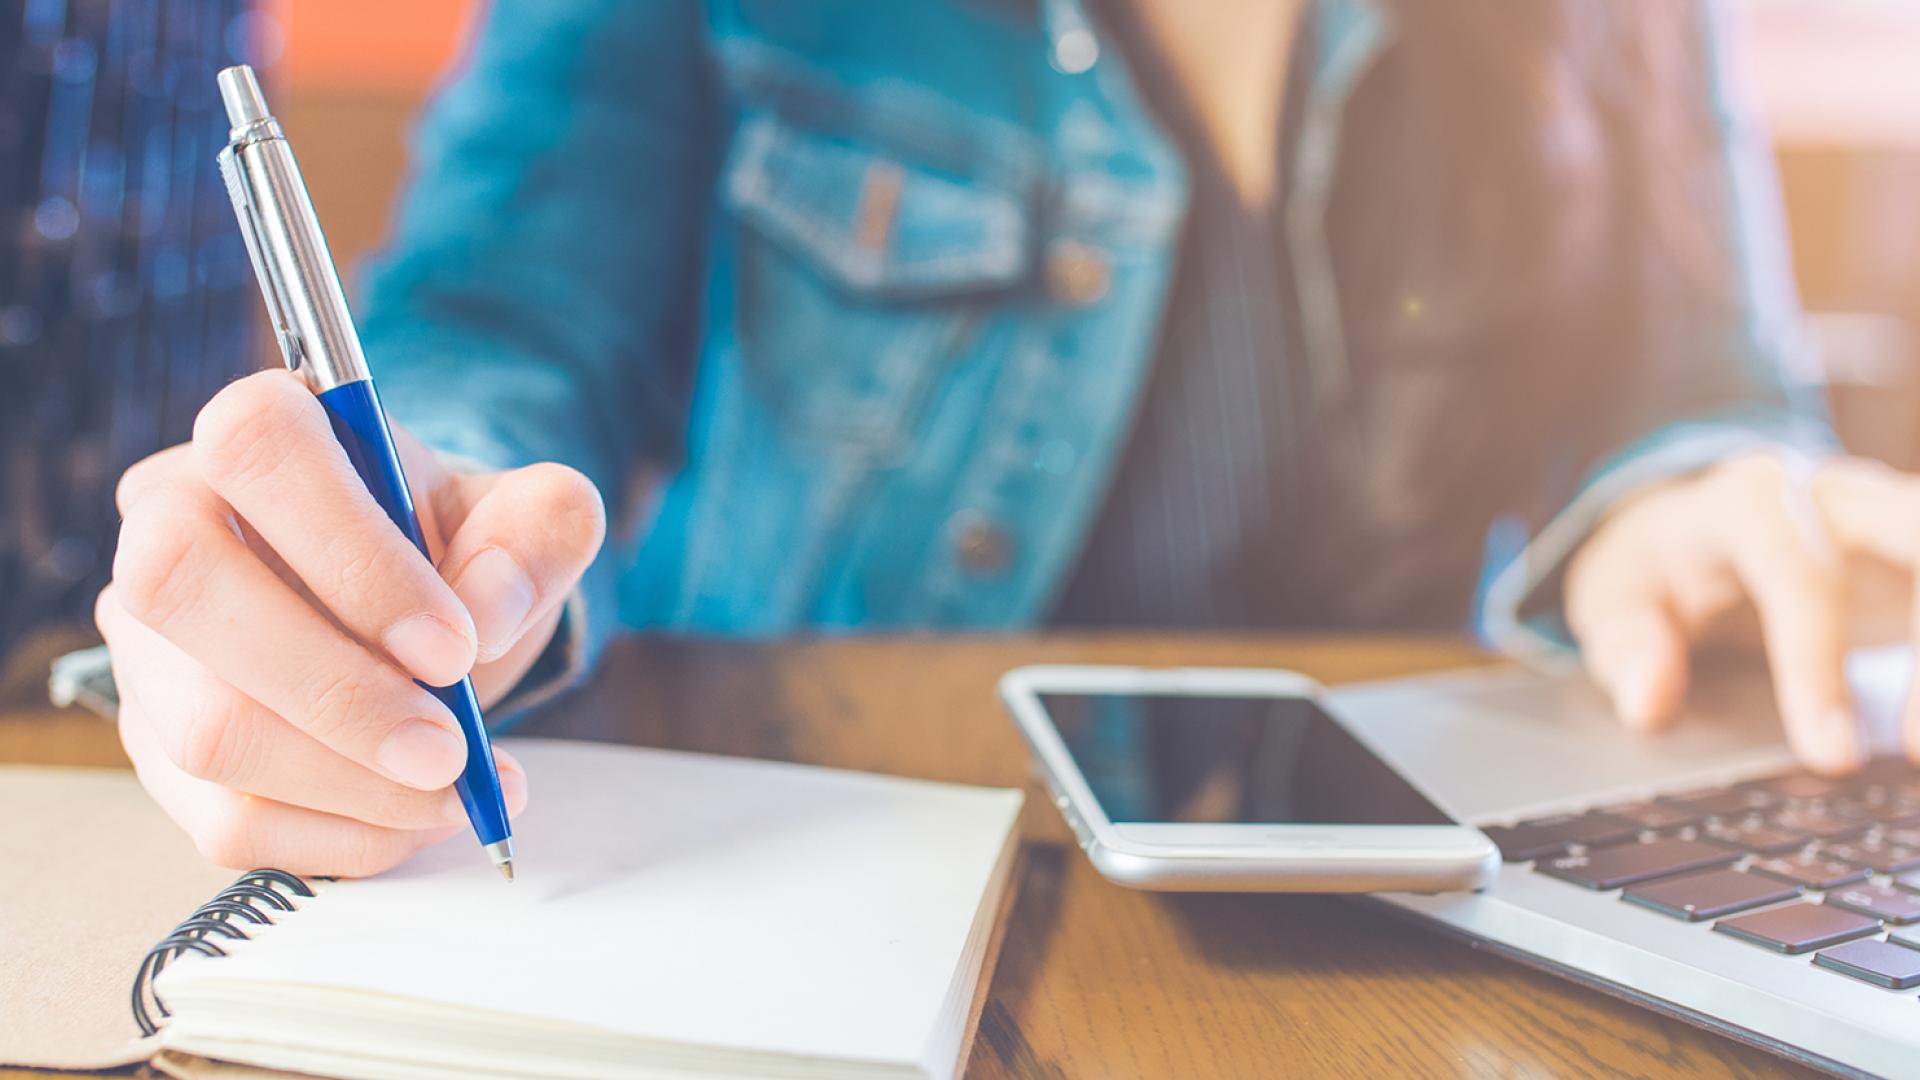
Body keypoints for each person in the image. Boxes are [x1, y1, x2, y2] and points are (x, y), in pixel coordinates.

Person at [92, 0, 1920, 876]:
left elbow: (1697, 389)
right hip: (820, 841)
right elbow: (494, 330)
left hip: (1404, 894)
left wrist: (1691, 494)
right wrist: (413, 522)